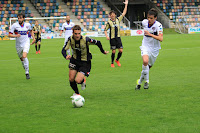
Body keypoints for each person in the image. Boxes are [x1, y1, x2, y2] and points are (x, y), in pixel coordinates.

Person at [61, 25, 109, 97]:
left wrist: (103, 51)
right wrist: (66, 56)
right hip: (74, 60)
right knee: (71, 79)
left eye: (79, 33)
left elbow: (98, 42)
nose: (77, 35)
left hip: (85, 62)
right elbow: (63, 50)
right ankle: (77, 93)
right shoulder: (70, 39)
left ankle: (83, 81)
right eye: (75, 33)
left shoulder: (85, 39)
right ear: (72, 33)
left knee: (78, 80)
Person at [135, 8, 163, 90]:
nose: (149, 20)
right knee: (145, 61)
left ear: (155, 18)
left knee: (147, 68)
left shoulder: (158, 26)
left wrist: (150, 34)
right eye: (148, 18)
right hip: (145, 46)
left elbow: (161, 39)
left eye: (151, 18)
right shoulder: (144, 22)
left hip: (155, 49)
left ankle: (139, 82)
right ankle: (147, 81)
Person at [8, 13, 35, 79]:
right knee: (22, 59)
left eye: (20, 18)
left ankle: (27, 72)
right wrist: (15, 36)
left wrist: (34, 38)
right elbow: (9, 35)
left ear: (23, 18)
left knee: (24, 56)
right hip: (18, 45)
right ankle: (26, 69)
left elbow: (31, 31)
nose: (19, 19)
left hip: (26, 42)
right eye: (18, 18)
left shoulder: (27, 25)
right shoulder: (14, 25)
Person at [104, 0, 128, 67]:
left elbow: (124, 13)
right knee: (113, 51)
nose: (112, 15)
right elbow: (105, 30)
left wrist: (126, 5)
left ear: (115, 15)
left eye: (113, 14)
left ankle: (117, 60)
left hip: (118, 37)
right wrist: (107, 36)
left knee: (120, 51)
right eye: (111, 15)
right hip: (112, 38)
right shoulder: (109, 22)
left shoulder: (118, 19)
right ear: (110, 16)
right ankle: (112, 63)